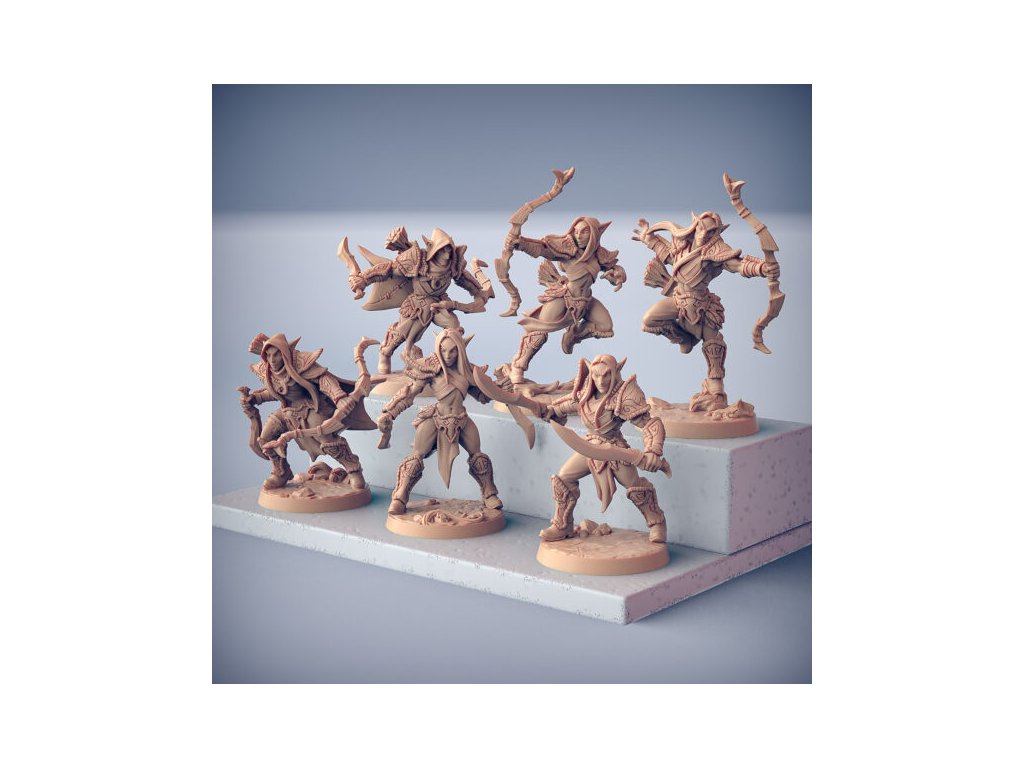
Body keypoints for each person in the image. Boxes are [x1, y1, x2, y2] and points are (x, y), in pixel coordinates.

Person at [633, 211, 780, 412]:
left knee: (713, 345)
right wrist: (648, 239)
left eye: (710, 231)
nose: (704, 233)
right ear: (695, 226)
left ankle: (716, 392)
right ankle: (685, 338)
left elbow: (738, 265)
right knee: (649, 320)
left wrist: (762, 269)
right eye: (701, 228)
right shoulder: (682, 243)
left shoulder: (716, 251)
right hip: (678, 299)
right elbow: (668, 254)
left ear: (716, 233)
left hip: (702, 305)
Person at [540, 354, 667, 543]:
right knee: (564, 478)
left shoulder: (623, 395)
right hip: (589, 446)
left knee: (635, 487)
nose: (601, 381)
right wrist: (548, 410)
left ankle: (657, 522)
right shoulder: (585, 394)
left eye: (606, 375)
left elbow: (649, 424)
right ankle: (562, 525)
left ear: (615, 373)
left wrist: (652, 451)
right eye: (596, 375)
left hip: (615, 450)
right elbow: (563, 406)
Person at [376, 329, 501, 515]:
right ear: (437, 349)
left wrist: (501, 389)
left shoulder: (468, 372)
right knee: (416, 456)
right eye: (443, 350)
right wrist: (390, 412)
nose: (448, 355)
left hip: (461, 419)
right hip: (436, 418)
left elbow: (483, 396)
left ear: (460, 350)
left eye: (452, 351)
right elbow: (409, 394)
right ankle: (400, 497)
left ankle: (489, 494)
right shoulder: (431, 370)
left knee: (478, 456)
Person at [239, 333, 375, 490]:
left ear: (284, 353)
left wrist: (338, 396)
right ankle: (281, 472)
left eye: (276, 355)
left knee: (327, 439)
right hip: (286, 412)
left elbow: (323, 378)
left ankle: (353, 470)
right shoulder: (268, 372)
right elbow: (275, 392)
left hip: (310, 408)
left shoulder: (300, 363)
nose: (272, 360)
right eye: (268, 356)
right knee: (266, 438)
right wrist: (255, 398)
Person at [347, 227, 491, 374]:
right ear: (434, 249)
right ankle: (385, 353)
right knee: (401, 335)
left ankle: (450, 364)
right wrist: (363, 279)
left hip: (439, 304)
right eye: (442, 250)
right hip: (417, 304)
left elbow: (469, 283)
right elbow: (389, 269)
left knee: (453, 327)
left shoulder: (454, 265)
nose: (447, 255)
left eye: (449, 250)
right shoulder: (417, 259)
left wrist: (479, 293)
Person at [505, 217, 626, 385]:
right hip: (565, 297)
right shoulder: (567, 250)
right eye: (576, 231)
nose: (579, 236)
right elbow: (543, 248)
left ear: (594, 234)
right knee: (539, 331)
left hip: (586, 301)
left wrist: (618, 276)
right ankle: (518, 365)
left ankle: (573, 335)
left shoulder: (599, 254)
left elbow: (614, 268)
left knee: (605, 326)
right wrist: (520, 243)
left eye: (584, 232)